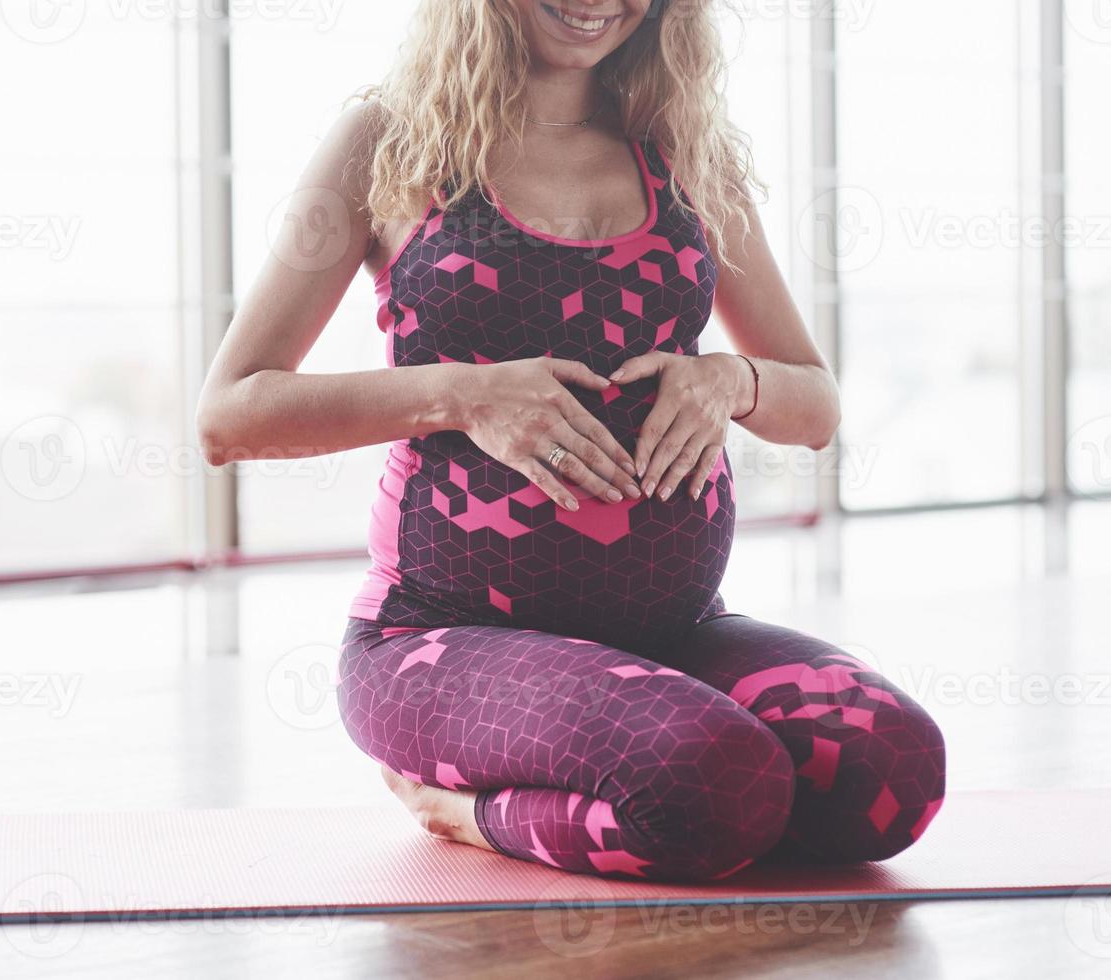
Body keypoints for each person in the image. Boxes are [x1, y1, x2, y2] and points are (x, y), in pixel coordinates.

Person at [197, 0, 945, 881]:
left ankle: (684, 792)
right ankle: (467, 814)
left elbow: (813, 406)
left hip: (672, 632)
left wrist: (731, 381)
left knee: (894, 771)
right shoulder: (388, 140)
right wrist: (462, 393)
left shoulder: (681, 150)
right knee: (708, 780)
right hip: (437, 641)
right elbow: (232, 414)